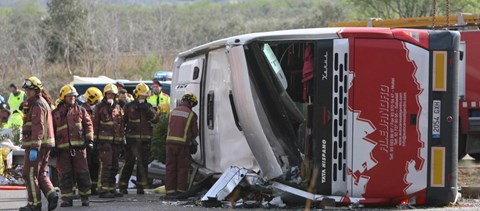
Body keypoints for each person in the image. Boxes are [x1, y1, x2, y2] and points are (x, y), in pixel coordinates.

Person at [20, 76, 58, 211]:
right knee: (40, 173)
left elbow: (38, 126)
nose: (27, 93)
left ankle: (34, 204)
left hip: (37, 145)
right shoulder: (40, 103)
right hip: (44, 144)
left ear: (37, 90)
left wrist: (34, 148)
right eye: (26, 90)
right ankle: (51, 194)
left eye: (30, 90)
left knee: (29, 174)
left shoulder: (37, 105)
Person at [52, 85, 94, 207]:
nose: (72, 99)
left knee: (82, 173)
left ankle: (85, 197)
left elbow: (88, 125)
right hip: (62, 150)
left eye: (74, 97)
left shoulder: (81, 110)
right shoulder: (55, 113)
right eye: (69, 97)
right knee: (65, 174)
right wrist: (53, 146)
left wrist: (90, 140)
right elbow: (51, 130)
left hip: (79, 149)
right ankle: (66, 199)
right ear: (63, 97)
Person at [119, 83, 158, 195]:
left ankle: (140, 187)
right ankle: (122, 186)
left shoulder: (149, 106)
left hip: (145, 141)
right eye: (141, 96)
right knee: (129, 163)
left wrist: (148, 110)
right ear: (137, 95)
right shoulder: (129, 107)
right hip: (131, 141)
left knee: (143, 164)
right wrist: (122, 139)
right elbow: (122, 122)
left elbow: (156, 119)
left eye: (144, 97)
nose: (143, 98)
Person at [93, 83, 125, 198]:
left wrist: (122, 141)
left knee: (115, 166)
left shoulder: (118, 108)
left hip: (116, 142)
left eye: (113, 94)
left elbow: (120, 126)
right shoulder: (99, 108)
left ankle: (112, 188)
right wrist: (95, 142)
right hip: (104, 142)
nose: (110, 96)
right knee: (106, 165)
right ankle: (103, 189)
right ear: (105, 94)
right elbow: (95, 126)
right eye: (109, 94)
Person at [164, 93, 198, 198]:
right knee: (182, 168)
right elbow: (194, 132)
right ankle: (180, 191)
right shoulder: (191, 114)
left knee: (170, 167)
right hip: (183, 145)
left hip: (169, 144)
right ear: (191, 102)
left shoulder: (173, 111)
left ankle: (169, 191)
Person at [81, 87, 103, 195]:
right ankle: (86, 188)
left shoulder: (96, 109)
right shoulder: (83, 109)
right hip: (85, 142)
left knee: (95, 165)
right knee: (87, 166)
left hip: (96, 142)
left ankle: (94, 187)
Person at [148, 80, 170, 163]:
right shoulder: (149, 98)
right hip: (153, 122)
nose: (155, 88)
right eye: (154, 87)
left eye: (157, 87)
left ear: (160, 87)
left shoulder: (166, 97)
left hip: (164, 122)